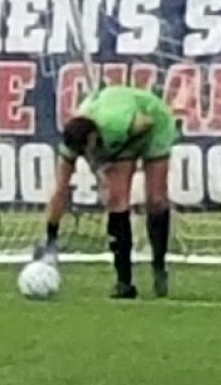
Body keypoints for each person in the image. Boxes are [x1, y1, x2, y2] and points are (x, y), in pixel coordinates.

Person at [39, 85, 178, 299]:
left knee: (156, 199)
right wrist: (50, 239)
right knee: (116, 200)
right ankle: (124, 282)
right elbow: (60, 191)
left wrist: (115, 156)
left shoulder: (115, 123)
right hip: (117, 138)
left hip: (150, 125)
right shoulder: (72, 143)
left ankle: (158, 266)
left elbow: (146, 123)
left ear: (94, 137)